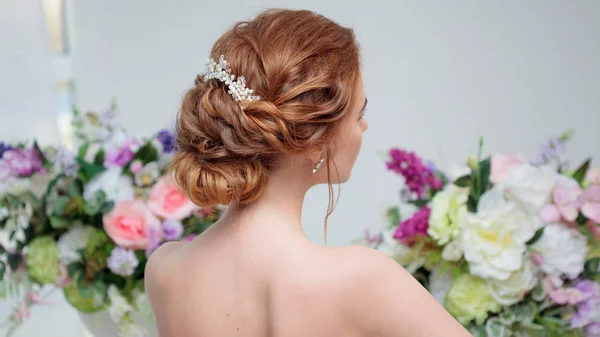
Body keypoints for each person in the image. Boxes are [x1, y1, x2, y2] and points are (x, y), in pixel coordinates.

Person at [145, 8, 471, 337]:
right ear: (314, 142)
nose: (364, 126)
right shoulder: (364, 280)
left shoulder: (165, 271)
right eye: (360, 113)